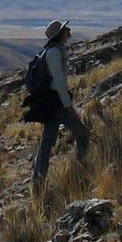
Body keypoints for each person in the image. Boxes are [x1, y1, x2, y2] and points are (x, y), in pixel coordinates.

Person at [31, 18, 89, 191]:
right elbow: (59, 82)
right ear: (60, 34)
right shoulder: (55, 53)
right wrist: (68, 105)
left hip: (51, 104)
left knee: (47, 145)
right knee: (83, 134)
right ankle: (80, 171)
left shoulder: (54, 50)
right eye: (65, 28)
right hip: (58, 104)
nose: (69, 30)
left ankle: (37, 185)